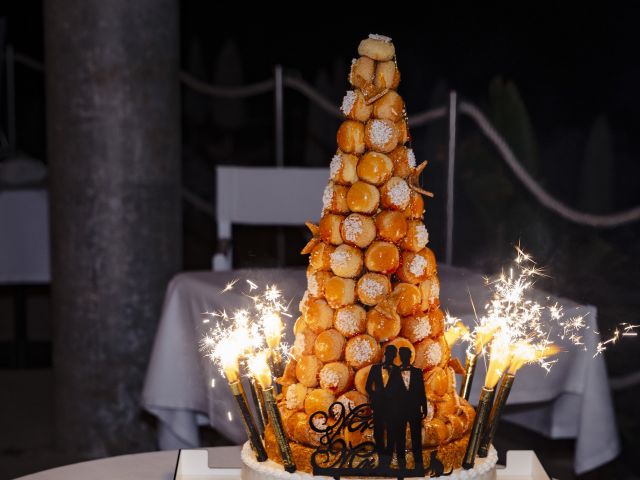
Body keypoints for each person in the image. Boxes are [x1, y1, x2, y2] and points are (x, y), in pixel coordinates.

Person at [387, 346, 428, 471]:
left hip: (414, 409)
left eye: (406, 355)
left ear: (410, 357)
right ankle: (401, 466)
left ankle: (418, 465)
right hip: (399, 410)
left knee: (416, 437)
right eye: (402, 355)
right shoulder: (394, 372)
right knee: (400, 438)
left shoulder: (417, 372)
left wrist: (424, 407)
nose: (405, 358)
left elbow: (421, 392)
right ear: (400, 357)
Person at [365, 344, 397, 468]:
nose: (390, 357)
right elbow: (368, 386)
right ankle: (381, 455)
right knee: (378, 432)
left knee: (390, 432)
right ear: (385, 355)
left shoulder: (396, 370)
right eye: (388, 354)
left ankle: (387, 460)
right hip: (378, 406)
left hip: (392, 407)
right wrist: (374, 396)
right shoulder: (375, 368)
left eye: (392, 355)